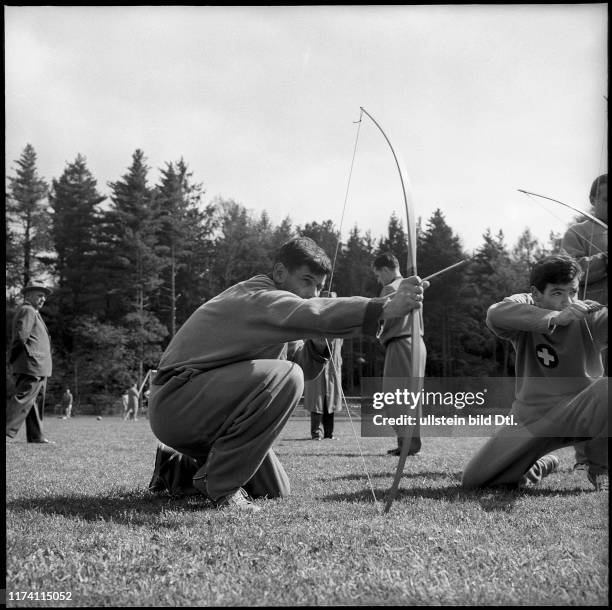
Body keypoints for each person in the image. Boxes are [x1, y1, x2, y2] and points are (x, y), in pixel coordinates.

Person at [147, 236, 427, 511]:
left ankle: (175, 467)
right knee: (287, 375)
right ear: (280, 272)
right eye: (307, 281)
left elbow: (301, 368)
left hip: (204, 409)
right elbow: (308, 320)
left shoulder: (279, 314)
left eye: (319, 286)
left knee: (274, 489)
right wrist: (385, 307)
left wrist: (318, 344)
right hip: (176, 402)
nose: (313, 293)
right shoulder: (259, 297)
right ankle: (219, 484)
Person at [461, 254, 608, 492]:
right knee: (474, 480)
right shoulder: (525, 310)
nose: (569, 301)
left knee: (607, 388)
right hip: (530, 418)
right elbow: (495, 314)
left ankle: (601, 470)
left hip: (578, 413)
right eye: (557, 293)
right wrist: (555, 318)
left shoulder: (589, 314)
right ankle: (540, 464)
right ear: (537, 294)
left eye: (573, 292)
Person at [561, 174, 608, 474]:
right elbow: (572, 272)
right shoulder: (577, 233)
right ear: (593, 200)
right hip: (594, 321)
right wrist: (605, 257)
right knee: (593, 387)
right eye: (606, 198)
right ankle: (586, 458)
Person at [372, 252, 425, 457]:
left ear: (385, 270)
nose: (379, 280)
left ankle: (409, 444)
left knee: (395, 397)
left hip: (401, 343)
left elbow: (380, 317)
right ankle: (408, 443)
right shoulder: (412, 286)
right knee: (408, 396)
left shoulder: (392, 288)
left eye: (378, 275)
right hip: (416, 343)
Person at [6, 280, 54, 444]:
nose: (43, 299)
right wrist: (12, 358)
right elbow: (20, 338)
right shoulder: (27, 310)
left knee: (35, 402)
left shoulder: (33, 311)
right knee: (23, 399)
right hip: (31, 364)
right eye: (40, 295)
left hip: (39, 365)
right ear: (28, 295)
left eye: (45, 297)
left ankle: (36, 436)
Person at [303, 292, 343, 440]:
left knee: (329, 403)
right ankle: (316, 433)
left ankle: (329, 433)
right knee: (317, 402)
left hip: (332, 369)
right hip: (317, 368)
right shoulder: (313, 321)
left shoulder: (339, 325)